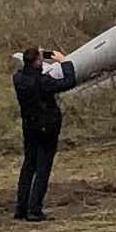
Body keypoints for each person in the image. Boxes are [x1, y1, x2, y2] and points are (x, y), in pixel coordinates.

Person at [11, 45, 78, 221]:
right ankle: (34, 209)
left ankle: (21, 208)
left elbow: (27, 73)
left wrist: (39, 57)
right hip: (47, 127)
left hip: (30, 127)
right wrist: (64, 62)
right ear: (38, 62)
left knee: (28, 166)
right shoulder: (43, 82)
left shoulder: (18, 79)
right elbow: (69, 82)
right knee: (43, 168)